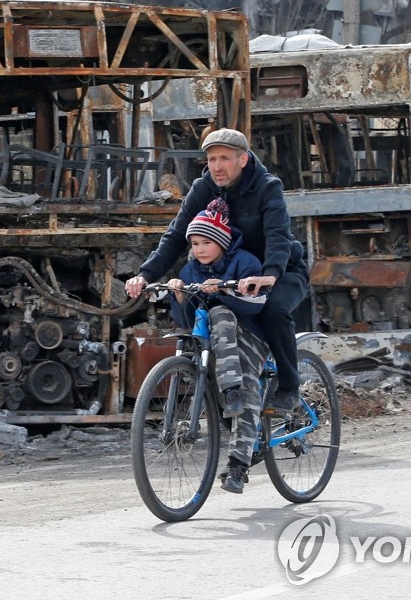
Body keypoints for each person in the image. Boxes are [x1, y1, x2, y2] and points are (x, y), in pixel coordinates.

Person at [125, 127, 310, 412]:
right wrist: (145, 274)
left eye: (224, 158)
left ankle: (289, 385)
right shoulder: (203, 188)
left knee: (273, 310)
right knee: (204, 312)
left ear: (243, 159)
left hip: (280, 269)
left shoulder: (266, 186)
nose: (217, 166)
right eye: (211, 159)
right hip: (230, 274)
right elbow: (176, 236)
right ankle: (225, 394)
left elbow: (278, 234)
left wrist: (271, 274)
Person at [166, 198, 267, 494]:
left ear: (222, 241)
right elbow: (186, 320)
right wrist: (180, 296)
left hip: (249, 334)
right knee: (210, 317)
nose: (199, 249)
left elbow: (257, 306)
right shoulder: (190, 271)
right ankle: (228, 391)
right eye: (194, 243)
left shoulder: (246, 262)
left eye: (206, 242)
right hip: (214, 345)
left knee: (220, 313)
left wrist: (224, 289)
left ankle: (237, 466)